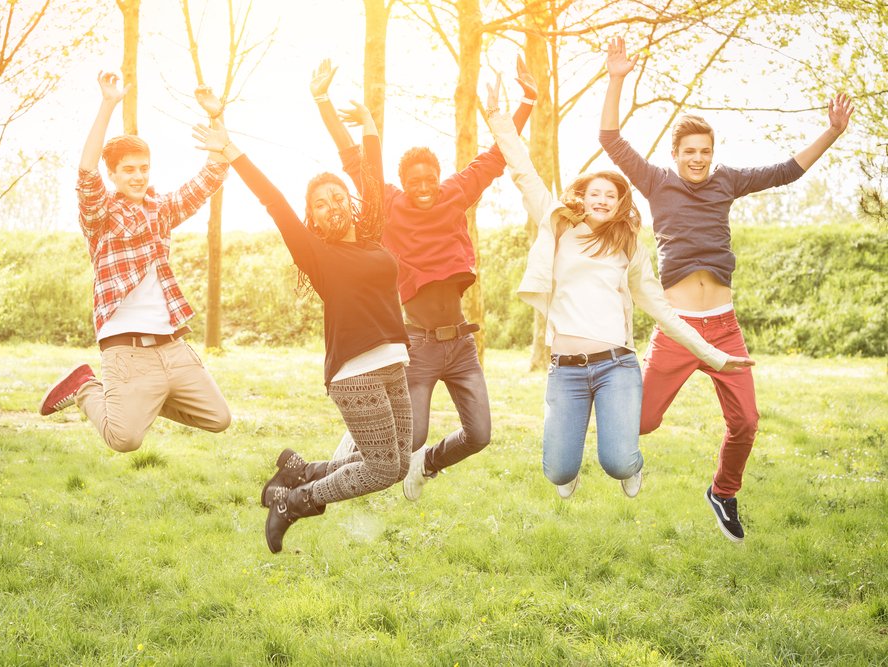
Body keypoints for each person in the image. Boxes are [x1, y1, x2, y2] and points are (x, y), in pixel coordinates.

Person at [600, 37, 853, 541]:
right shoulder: (654, 181)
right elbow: (611, 138)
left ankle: (723, 491)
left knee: (747, 422)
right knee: (641, 423)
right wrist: (616, 78)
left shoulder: (727, 182)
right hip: (676, 328)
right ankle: (603, 394)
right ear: (674, 155)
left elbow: (786, 172)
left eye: (705, 153)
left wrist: (831, 132)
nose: (698, 160)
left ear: (714, 155)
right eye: (689, 152)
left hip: (723, 327)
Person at [484, 72, 753, 502]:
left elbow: (666, 313)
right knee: (557, 470)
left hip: (616, 366)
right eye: (597, 192)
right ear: (583, 195)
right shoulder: (555, 223)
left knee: (619, 462)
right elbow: (522, 168)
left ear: (620, 203)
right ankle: (566, 466)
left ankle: (632, 468)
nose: (604, 200)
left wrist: (714, 355)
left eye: (612, 195)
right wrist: (498, 115)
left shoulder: (628, 248)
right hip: (566, 369)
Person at [192, 90, 412, 554]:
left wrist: (369, 124)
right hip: (355, 373)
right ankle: (294, 500)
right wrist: (231, 149)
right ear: (311, 217)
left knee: (399, 464)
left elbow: (371, 177)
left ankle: (298, 472)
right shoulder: (318, 255)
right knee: (379, 469)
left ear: (348, 204)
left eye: (337, 197)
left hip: (394, 361)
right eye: (320, 204)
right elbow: (273, 200)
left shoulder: (370, 238)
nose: (331, 205)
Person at [310, 58, 535, 501]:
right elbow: (353, 160)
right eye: (415, 180)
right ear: (401, 182)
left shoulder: (456, 192)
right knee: (406, 438)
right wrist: (324, 102)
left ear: (439, 176)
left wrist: (526, 101)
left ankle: (427, 466)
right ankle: (345, 457)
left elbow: (495, 156)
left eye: (430, 177)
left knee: (480, 435)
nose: (425, 185)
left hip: (462, 345)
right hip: (419, 344)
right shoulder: (389, 205)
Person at [38, 72, 232, 453]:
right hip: (125, 349)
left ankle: (140, 402)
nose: (138, 176)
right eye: (128, 169)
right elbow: (86, 172)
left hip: (172, 346)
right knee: (124, 439)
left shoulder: (161, 209)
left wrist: (216, 116)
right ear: (114, 175)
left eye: (144, 168)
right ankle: (85, 387)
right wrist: (108, 103)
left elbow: (209, 177)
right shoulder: (101, 216)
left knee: (218, 418)